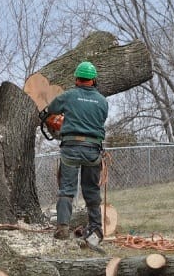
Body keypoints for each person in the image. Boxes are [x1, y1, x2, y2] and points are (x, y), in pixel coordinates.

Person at [47, 61, 108, 243]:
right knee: (91, 190)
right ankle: (96, 228)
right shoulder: (102, 101)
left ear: (76, 79)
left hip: (71, 148)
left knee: (67, 190)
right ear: (94, 80)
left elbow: (51, 110)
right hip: (92, 150)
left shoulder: (68, 96)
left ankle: (63, 228)